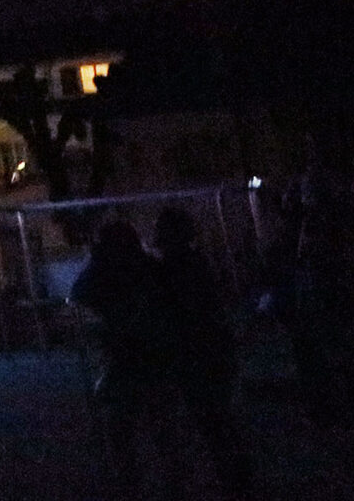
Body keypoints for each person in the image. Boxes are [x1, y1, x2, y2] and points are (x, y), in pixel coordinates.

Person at [152, 206, 253, 493]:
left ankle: (231, 476)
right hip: (213, 347)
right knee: (221, 415)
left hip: (193, 352)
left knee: (209, 419)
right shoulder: (198, 263)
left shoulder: (168, 271)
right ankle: (237, 475)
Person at [71, 219, 166, 487]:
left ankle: (128, 477)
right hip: (150, 351)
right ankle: (169, 475)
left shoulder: (102, 270)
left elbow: (79, 296)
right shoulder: (146, 266)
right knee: (157, 419)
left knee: (121, 422)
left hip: (123, 353)